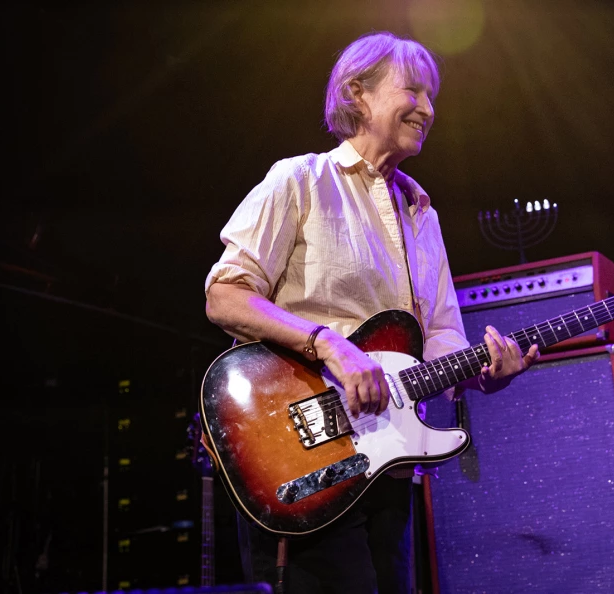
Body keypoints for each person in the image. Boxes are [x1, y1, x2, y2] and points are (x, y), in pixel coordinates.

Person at [203, 31, 540, 593]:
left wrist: (480, 373)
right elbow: (225, 295)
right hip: (300, 456)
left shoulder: (422, 214)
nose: (429, 110)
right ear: (356, 93)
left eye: (433, 97)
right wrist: (331, 346)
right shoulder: (299, 180)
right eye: (413, 91)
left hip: (388, 463)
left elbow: (438, 335)